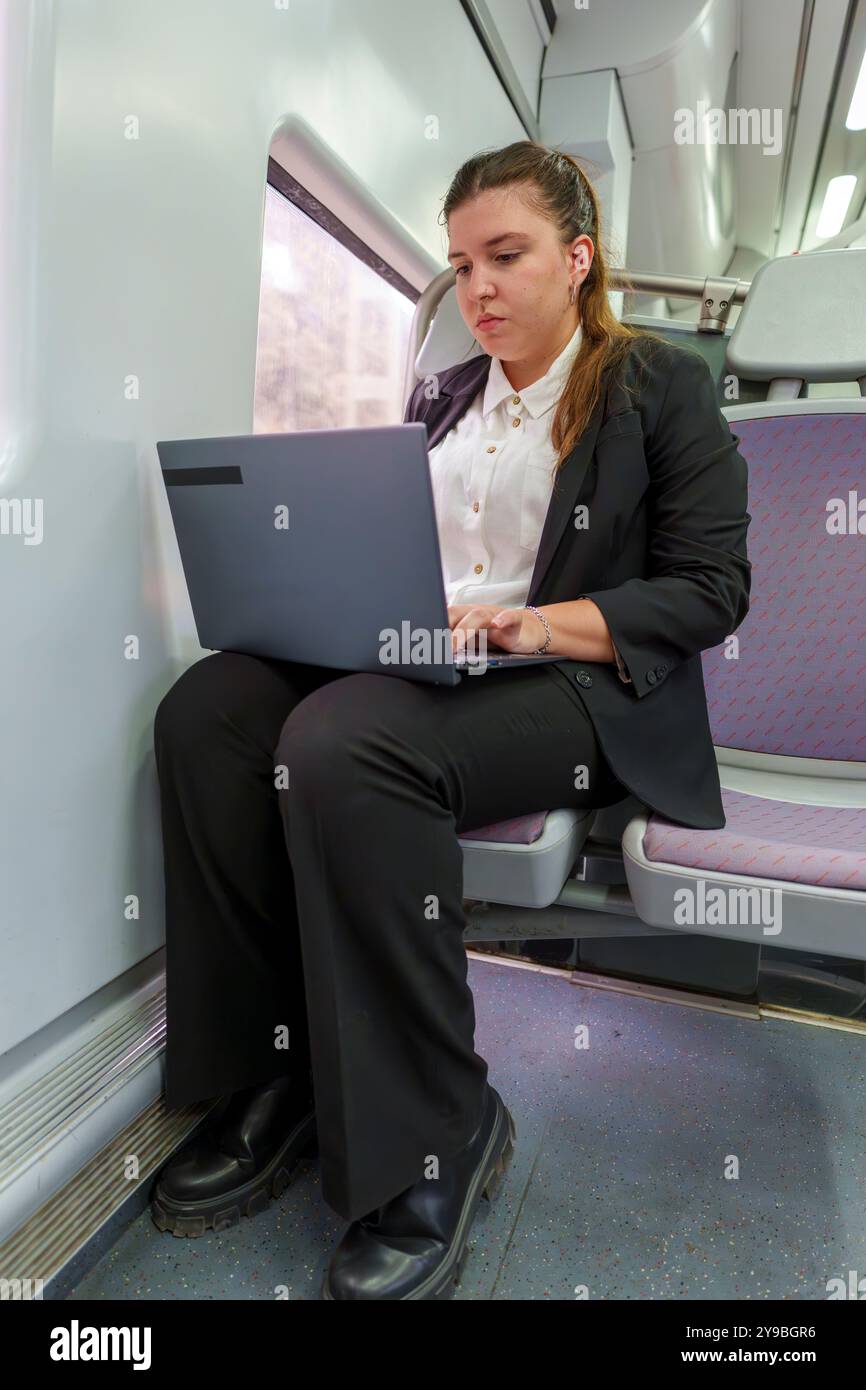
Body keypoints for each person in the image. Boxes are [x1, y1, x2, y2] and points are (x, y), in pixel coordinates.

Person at [149, 140, 751, 1300]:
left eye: (505, 255)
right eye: (459, 261)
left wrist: (534, 624)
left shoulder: (656, 386)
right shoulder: (441, 394)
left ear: (577, 259)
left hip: (573, 689)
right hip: (429, 662)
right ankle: (276, 1072)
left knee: (340, 746)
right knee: (209, 710)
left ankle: (442, 1125)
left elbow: (708, 591)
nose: (474, 286)